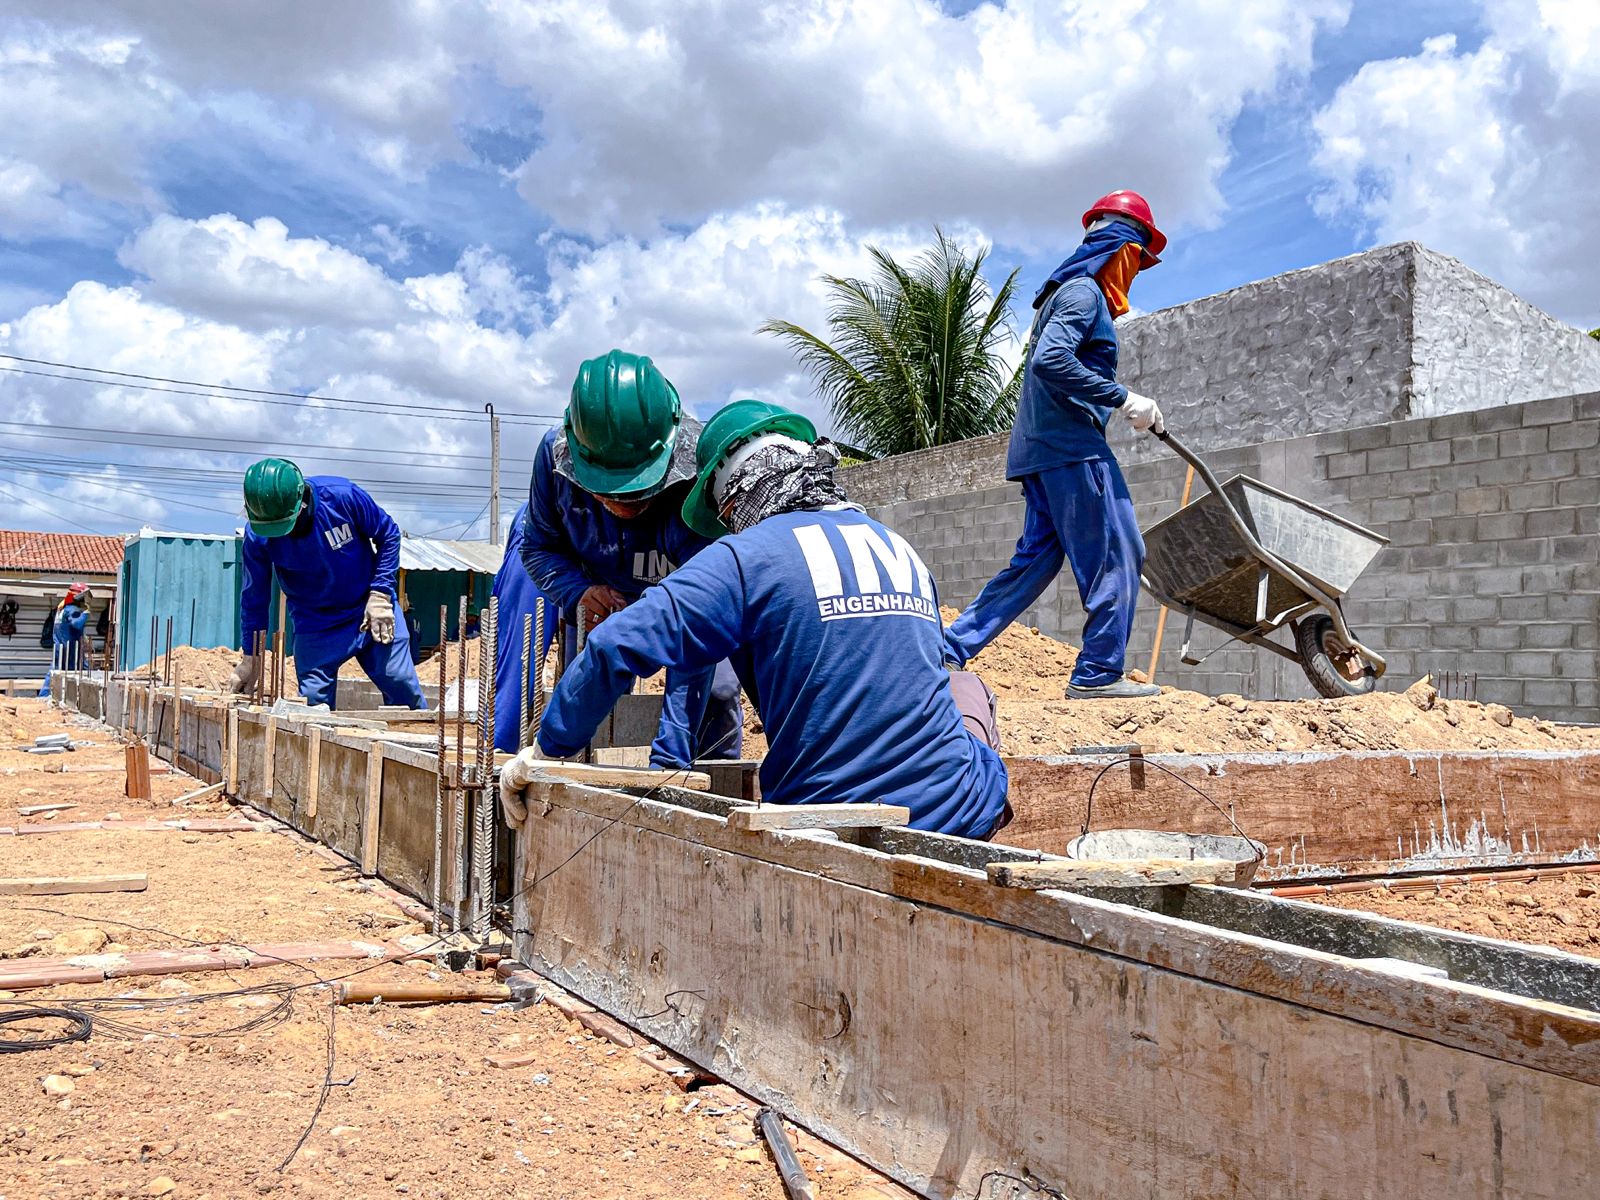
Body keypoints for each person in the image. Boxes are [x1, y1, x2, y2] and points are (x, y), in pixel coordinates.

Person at [502, 400, 1008, 841]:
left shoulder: (744, 558)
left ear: (732, 496)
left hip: (821, 823)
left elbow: (614, 645)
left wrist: (547, 751)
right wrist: (670, 757)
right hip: (959, 811)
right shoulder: (898, 545)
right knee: (965, 688)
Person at [944, 189, 1169, 699]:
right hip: (1072, 450)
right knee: (1119, 550)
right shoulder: (1082, 293)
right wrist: (1123, 397)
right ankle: (1097, 674)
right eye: (1137, 261)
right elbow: (1051, 362)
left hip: (1040, 451)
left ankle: (947, 649)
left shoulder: (1066, 295)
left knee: (1034, 563)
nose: (1134, 274)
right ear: (1122, 248)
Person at [520, 349, 742, 767]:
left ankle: (721, 787)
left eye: (637, 490)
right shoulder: (553, 457)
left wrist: (670, 763)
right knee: (585, 694)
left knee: (716, 694)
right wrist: (578, 593)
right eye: (608, 491)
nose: (622, 504)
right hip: (600, 605)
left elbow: (702, 614)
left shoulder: (699, 470)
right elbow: (536, 548)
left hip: (688, 601)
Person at [231, 458, 426, 710]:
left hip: (367, 610)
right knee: (312, 707)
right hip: (315, 623)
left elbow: (388, 535)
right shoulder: (258, 536)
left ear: (301, 502)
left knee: (401, 686)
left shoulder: (342, 498)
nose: (281, 535)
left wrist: (380, 594)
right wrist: (251, 657)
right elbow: (254, 598)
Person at [490, 501, 556, 753]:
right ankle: (500, 749)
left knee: (600, 655)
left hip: (626, 531)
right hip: (546, 529)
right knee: (523, 646)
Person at [38, 583, 90, 698]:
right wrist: (86, 613)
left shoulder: (61, 609)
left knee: (55, 670)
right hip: (70, 649)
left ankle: (43, 696)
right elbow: (77, 624)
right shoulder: (72, 610)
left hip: (60, 647)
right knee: (84, 671)